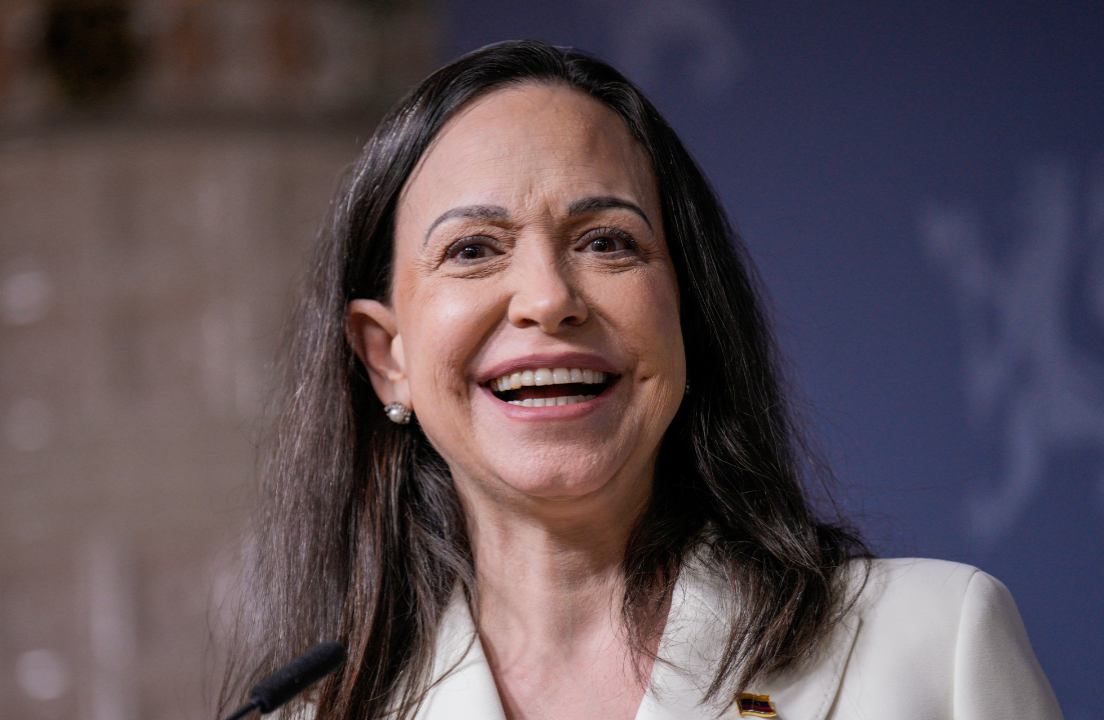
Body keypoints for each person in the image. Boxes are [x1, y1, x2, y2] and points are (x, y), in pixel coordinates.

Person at [222, 41, 1062, 720]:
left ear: (686, 313)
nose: (548, 298)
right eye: (472, 249)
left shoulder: (936, 644)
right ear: (386, 357)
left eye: (608, 242)